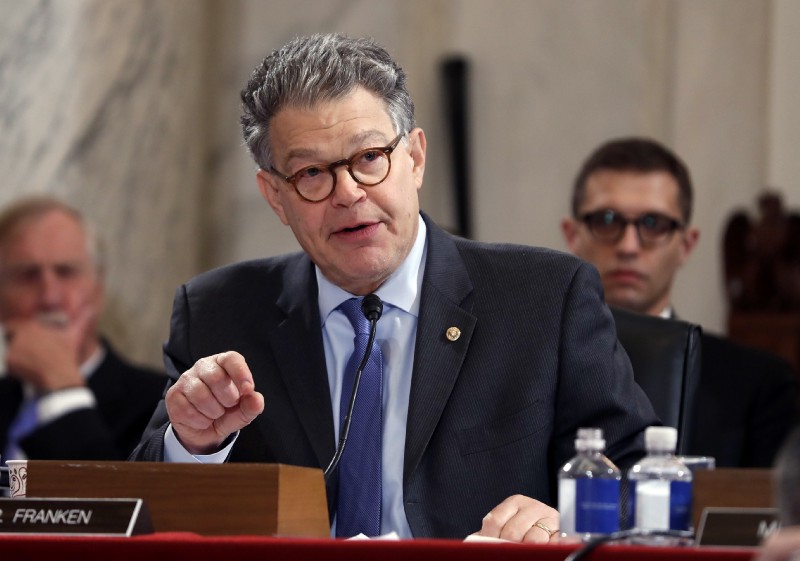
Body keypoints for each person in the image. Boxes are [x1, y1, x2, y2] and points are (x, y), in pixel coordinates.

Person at [131, 33, 658, 542]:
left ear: (415, 158)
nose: (348, 193)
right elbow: (133, 507)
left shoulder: (545, 300)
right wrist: (193, 444)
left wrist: (563, 518)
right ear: (274, 196)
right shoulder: (218, 312)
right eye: (312, 172)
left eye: (368, 159)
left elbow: (643, 480)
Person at [561, 137, 799, 468]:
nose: (629, 246)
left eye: (652, 224)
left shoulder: (757, 384)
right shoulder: (531, 372)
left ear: (687, 244)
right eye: (607, 220)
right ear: (572, 235)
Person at [0, 196, 167, 461]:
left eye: (66, 272)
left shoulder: (162, 406)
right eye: (27, 275)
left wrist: (62, 387)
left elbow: (118, 500)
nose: (50, 297)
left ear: (98, 289)